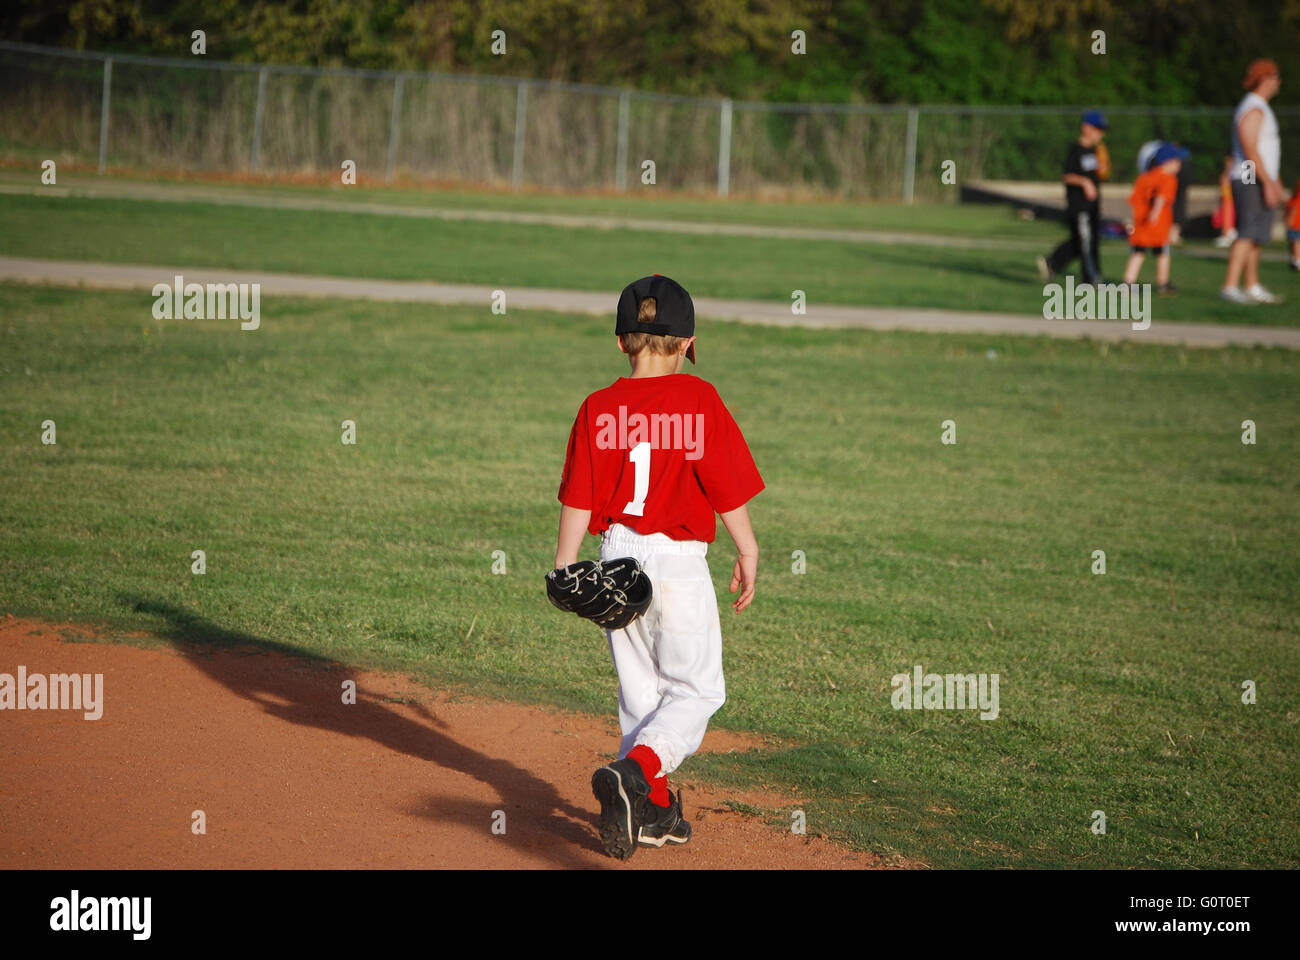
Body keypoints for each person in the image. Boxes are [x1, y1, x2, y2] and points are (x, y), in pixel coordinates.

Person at [551, 274, 764, 860]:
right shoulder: (698, 400)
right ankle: (638, 773)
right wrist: (746, 549)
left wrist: (566, 566)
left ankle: (652, 810)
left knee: (641, 695)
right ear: (689, 344)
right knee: (696, 692)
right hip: (677, 562)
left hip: (616, 559)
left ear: (621, 341)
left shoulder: (598, 407)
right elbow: (725, 488)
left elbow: (578, 495)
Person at [1221, 59, 1285, 304]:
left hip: (1256, 175)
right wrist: (1267, 182)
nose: (1279, 83)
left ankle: (1251, 284)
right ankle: (1230, 286)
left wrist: (1273, 180)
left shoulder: (1260, 107)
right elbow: (1250, 148)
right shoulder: (1253, 107)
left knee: (1257, 233)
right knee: (1247, 231)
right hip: (1248, 175)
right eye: (1276, 77)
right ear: (1266, 79)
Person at [1038, 110, 1109, 285]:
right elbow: (1067, 175)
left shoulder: (1095, 151)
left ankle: (1052, 262)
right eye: (1097, 128)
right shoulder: (1076, 150)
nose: (1100, 133)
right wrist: (1085, 182)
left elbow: (1099, 174)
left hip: (1092, 205)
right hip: (1080, 205)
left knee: (1084, 241)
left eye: (1102, 130)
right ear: (1085, 127)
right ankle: (1092, 278)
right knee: (1085, 242)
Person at [1124, 143, 1188, 294]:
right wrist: (1156, 212)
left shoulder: (1144, 177)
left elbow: (1134, 200)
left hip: (1141, 224)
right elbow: (1162, 197)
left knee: (1138, 253)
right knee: (1163, 254)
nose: (1179, 165)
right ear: (1167, 162)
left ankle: (1128, 282)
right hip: (1159, 226)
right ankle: (1163, 283)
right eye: (1177, 161)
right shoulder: (1169, 179)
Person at [1213, 154, 1238, 248]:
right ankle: (1225, 234)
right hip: (1225, 200)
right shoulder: (1227, 173)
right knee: (1223, 218)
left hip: (1231, 200)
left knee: (1229, 218)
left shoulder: (1235, 174)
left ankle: (1229, 235)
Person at [1286, 180, 1300, 271]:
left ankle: (1297, 260)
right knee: (1294, 243)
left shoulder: (1295, 200)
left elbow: (1292, 211)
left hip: (1295, 225)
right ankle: (1295, 260)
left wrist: (1288, 220)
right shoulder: (1294, 199)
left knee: (1295, 243)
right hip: (1295, 225)